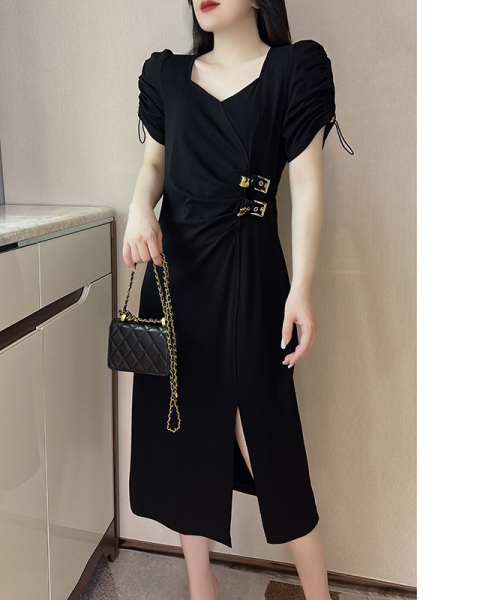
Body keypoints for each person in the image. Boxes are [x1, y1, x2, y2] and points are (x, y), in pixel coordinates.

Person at [123, 1, 354, 599]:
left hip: (252, 276)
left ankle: (317, 593)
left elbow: (305, 182)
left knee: (270, 442)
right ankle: (202, 587)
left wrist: (302, 287)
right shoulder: (167, 75)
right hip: (176, 276)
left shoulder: (294, 70)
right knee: (184, 431)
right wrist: (139, 209)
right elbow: (153, 164)